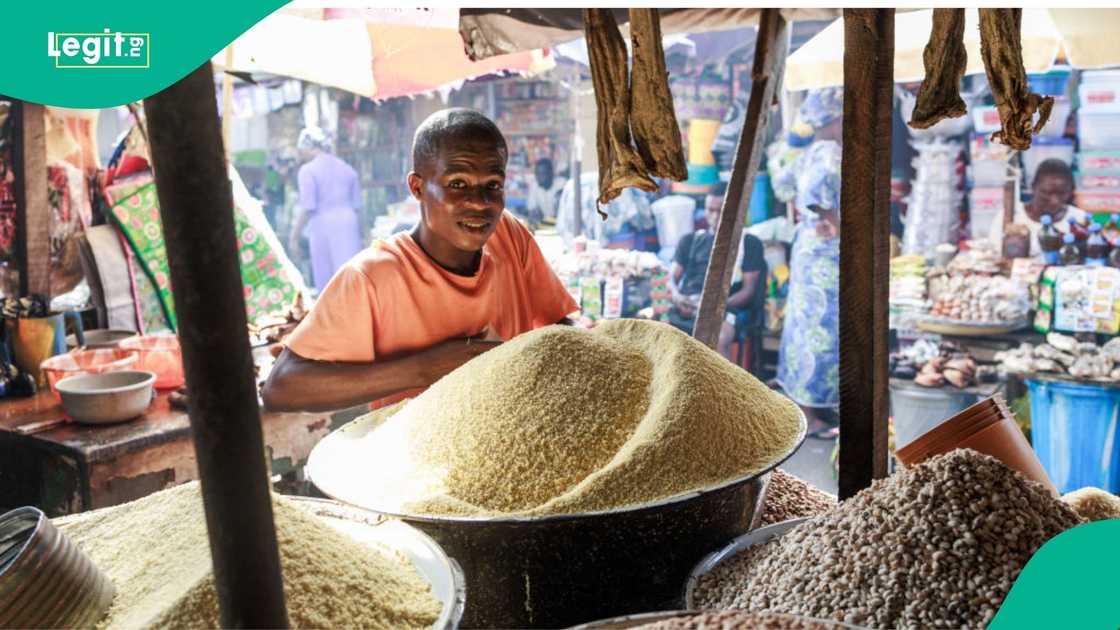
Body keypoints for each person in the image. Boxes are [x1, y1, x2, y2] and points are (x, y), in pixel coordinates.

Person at [263, 109, 578, 412]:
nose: (480, 203)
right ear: (417, 187)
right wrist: (423, 370)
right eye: (458, 184)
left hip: (519, 443)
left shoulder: (508, 234)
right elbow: (281, 387)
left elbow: (558, 328)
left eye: (492, 185)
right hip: (419, 461)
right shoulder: (371, 277)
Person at [775, 87, 844, 440]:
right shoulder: (830, 154)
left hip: (808, 249)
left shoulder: (806, 154)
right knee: (821, 328)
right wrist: (838, 222)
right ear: (832, 118)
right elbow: (819, 200)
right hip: (825, 254)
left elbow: (783, 188)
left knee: (806, 327)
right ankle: (810, 413)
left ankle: (810, 405)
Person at [668, 182, 767, 362]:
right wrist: (677, 296)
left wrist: (716, 307)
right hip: (689, 305)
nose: (714, 216)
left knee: (719, 338)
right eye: (710, 210)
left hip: (725, 309)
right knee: (656, 333)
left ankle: (723, 389)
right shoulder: (689, 240)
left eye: (720, 211)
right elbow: (672, 278)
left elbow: (748, 291)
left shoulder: (749, 244)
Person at [289, 126, 364, 292]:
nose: (301, 154)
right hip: (349, 224)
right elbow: (358, 207)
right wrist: (364, 234)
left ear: (308, 147)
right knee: (351, 275)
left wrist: (294, 235)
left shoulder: (307, 171)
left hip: (323, 226)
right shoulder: (347, 169)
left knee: (328, 281)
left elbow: (308, 207)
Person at [988, 159, 1087, 256]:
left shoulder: (1080, 219)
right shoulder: (1011, 215)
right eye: (1047, 193)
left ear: (1071, 191)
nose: (1054, 201)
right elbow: (994, 253)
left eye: (1062, 193)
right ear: (1033, 187)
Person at [525, 158, 566, 230]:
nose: (538, 177)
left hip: (562, 225)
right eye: (537, 174)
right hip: (545, 226)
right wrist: (534, 214)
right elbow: (532, 211)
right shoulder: (535, 187)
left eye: (542, 174)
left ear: (551, 173)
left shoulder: (562, 184)